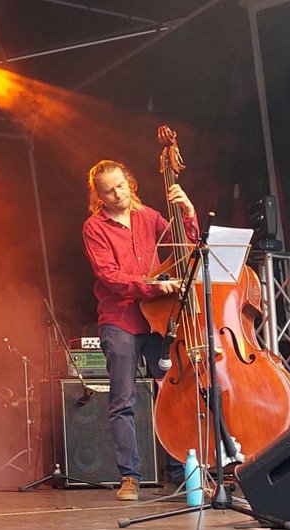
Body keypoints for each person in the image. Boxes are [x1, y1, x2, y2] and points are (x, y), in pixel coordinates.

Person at [82, 159, 198, 501]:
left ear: (129, 182)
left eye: (121, 186)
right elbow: (109, 276)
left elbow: (183, 247)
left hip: (158, 318)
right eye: (108, 191)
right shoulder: (94, 227)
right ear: (98, 196)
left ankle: (178, 471)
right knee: (123, 400)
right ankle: (130, 477)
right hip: (120, 320)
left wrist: (188, 212)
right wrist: (153, 286)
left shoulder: (149, 216)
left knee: (173, 395)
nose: (118, 194)